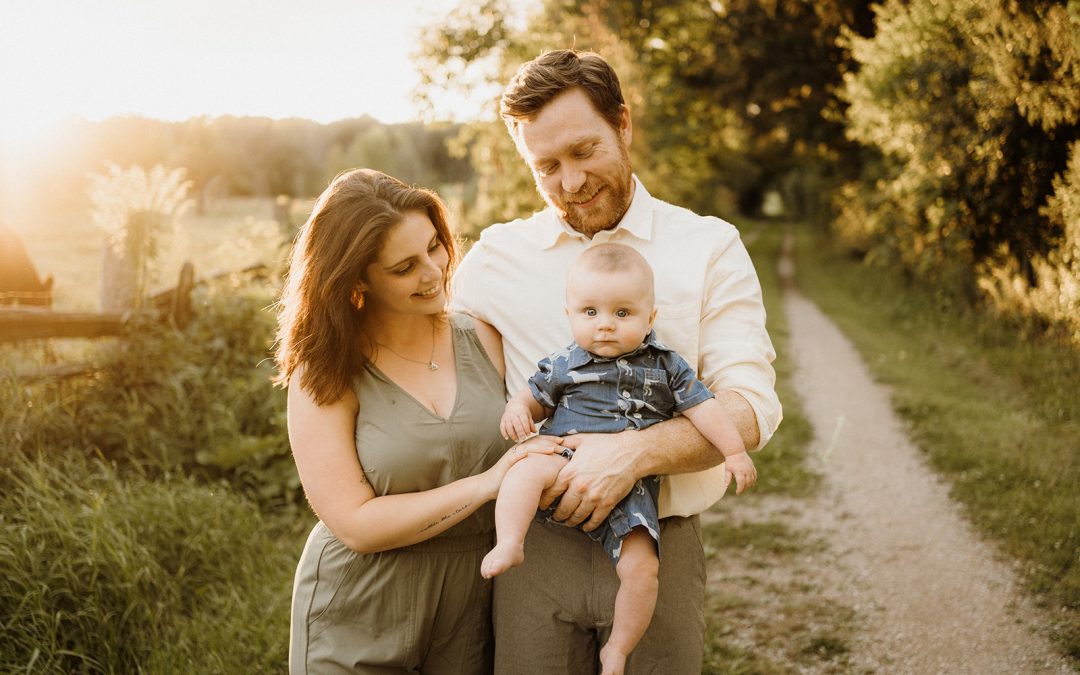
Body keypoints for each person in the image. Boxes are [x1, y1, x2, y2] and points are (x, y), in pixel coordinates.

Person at [451, 50, 782, 673]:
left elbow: (752, 407)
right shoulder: (496, 257)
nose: (570, 182)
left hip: (656, 542)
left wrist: (631, 455)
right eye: (546, 166)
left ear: (623, 125)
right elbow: (429, 365)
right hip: (531, 550)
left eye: (584, 151)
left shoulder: (708, 246)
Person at [273, 168, 558, 673]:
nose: (433, 272)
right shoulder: (325, 368)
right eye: (404, 267)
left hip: (473, 602)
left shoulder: (484, 338)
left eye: (434, 246)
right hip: (361, 604)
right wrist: (487, 484)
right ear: (357, 277)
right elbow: (355, 524)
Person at [483, 243, 757, 675]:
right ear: (570, 314)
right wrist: (518, 412)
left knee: (643, 569)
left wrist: (734, 450)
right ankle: (510, 543)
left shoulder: (668, 366)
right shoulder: (563, 364)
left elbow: (705, 408)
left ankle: (619, 648)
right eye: (589, 312)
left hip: (633, 487)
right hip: (565, 458)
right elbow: (533, 398)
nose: (605, 325)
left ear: (651, 317)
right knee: (525, 468)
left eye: (622, 313)